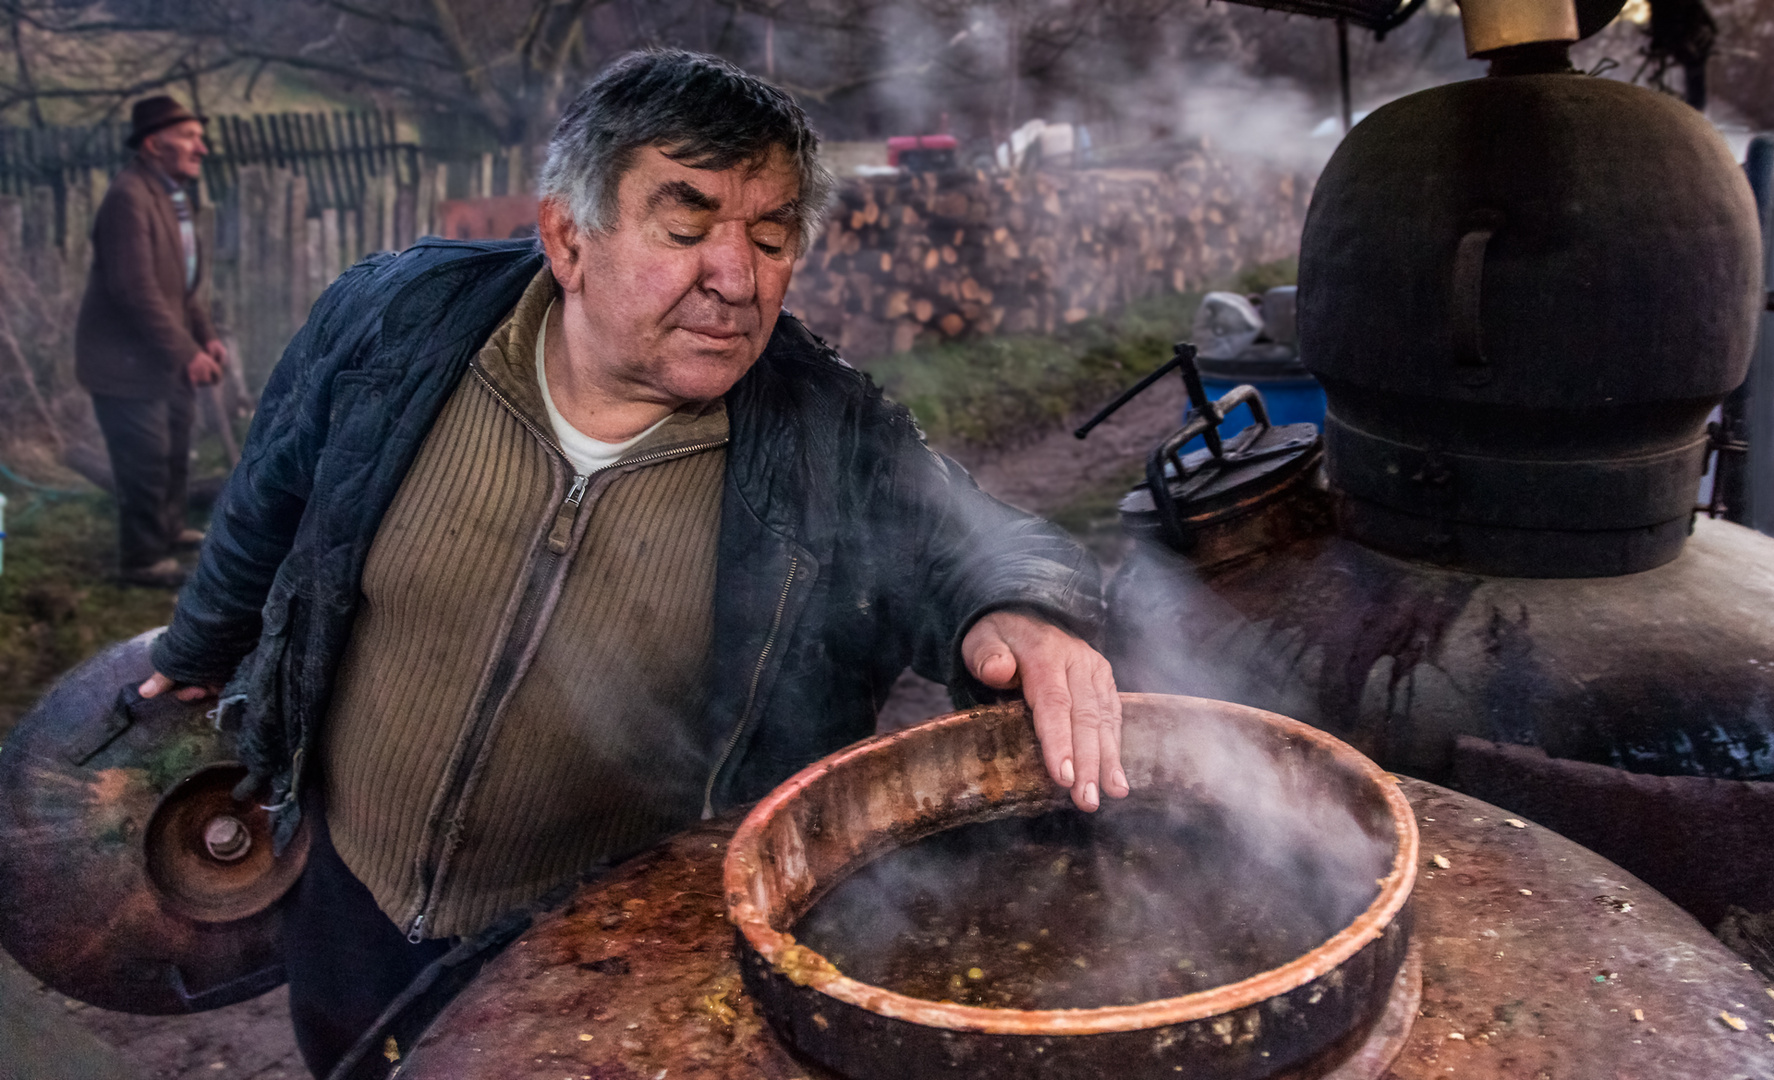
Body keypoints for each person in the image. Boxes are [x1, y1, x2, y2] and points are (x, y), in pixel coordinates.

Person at [138, 50, 1125, 1076]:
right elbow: (275, 488)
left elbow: (985, 540)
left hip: (599, 956)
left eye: (773, 235)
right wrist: (206, 637)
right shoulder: (397, 321)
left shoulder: (823, 433)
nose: (736, 279)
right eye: (687, 226)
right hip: (347, 892)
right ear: (569, 236)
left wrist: (1023, 611)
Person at [74, 95, 227, 589]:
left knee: (175, 449)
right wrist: (187, 352)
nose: (201, 148)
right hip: (125, 363)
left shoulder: (173, 198)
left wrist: (206, 337)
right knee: (144, 457)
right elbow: (133, 290)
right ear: (152, 144)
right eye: (189, 137)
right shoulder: (128, 197)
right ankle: (142, 559)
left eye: (200, 138)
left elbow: (182, 286)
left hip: (164, 354)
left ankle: (168, 530)